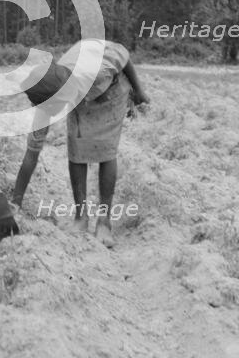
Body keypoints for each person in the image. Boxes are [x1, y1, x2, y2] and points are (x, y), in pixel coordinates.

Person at [11, 38, 149, 247]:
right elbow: (32, 152)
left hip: (111, 89)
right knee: (76, 148)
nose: (50, 113)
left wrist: (138, 91)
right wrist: (16, 203)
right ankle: (81, 216)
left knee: (106, 149)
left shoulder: (97, 71)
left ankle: (104, 221)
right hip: (78, 89)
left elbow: (124, 56)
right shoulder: (47, 94)